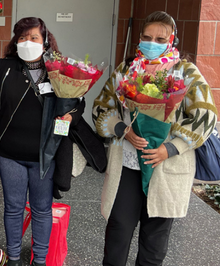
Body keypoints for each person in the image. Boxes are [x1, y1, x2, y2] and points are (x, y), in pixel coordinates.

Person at [92, 11, 218, 266]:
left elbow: (206, 116)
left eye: (161, 39)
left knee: (154, 244)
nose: (153, 43)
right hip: (127, 165)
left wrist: (170, 148)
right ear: (139, 39)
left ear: (172, 40)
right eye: (147, 37)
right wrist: (122, 130)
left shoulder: (186, 73)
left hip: (166, 168)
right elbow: (100, 108)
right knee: (118, 233)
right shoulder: (126, 70)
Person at [0, 17, 85, 266]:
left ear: (45, 41)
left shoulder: (58, 70)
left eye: (33, 37)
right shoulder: (6, 67)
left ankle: (39, 260)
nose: (27, 42)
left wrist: (71, 115)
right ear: (16, 41)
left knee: (41, 209)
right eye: (22, 37)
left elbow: (78, 102)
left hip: (44, 155)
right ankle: (14, 258)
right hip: (9, 153)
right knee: (13, 207)